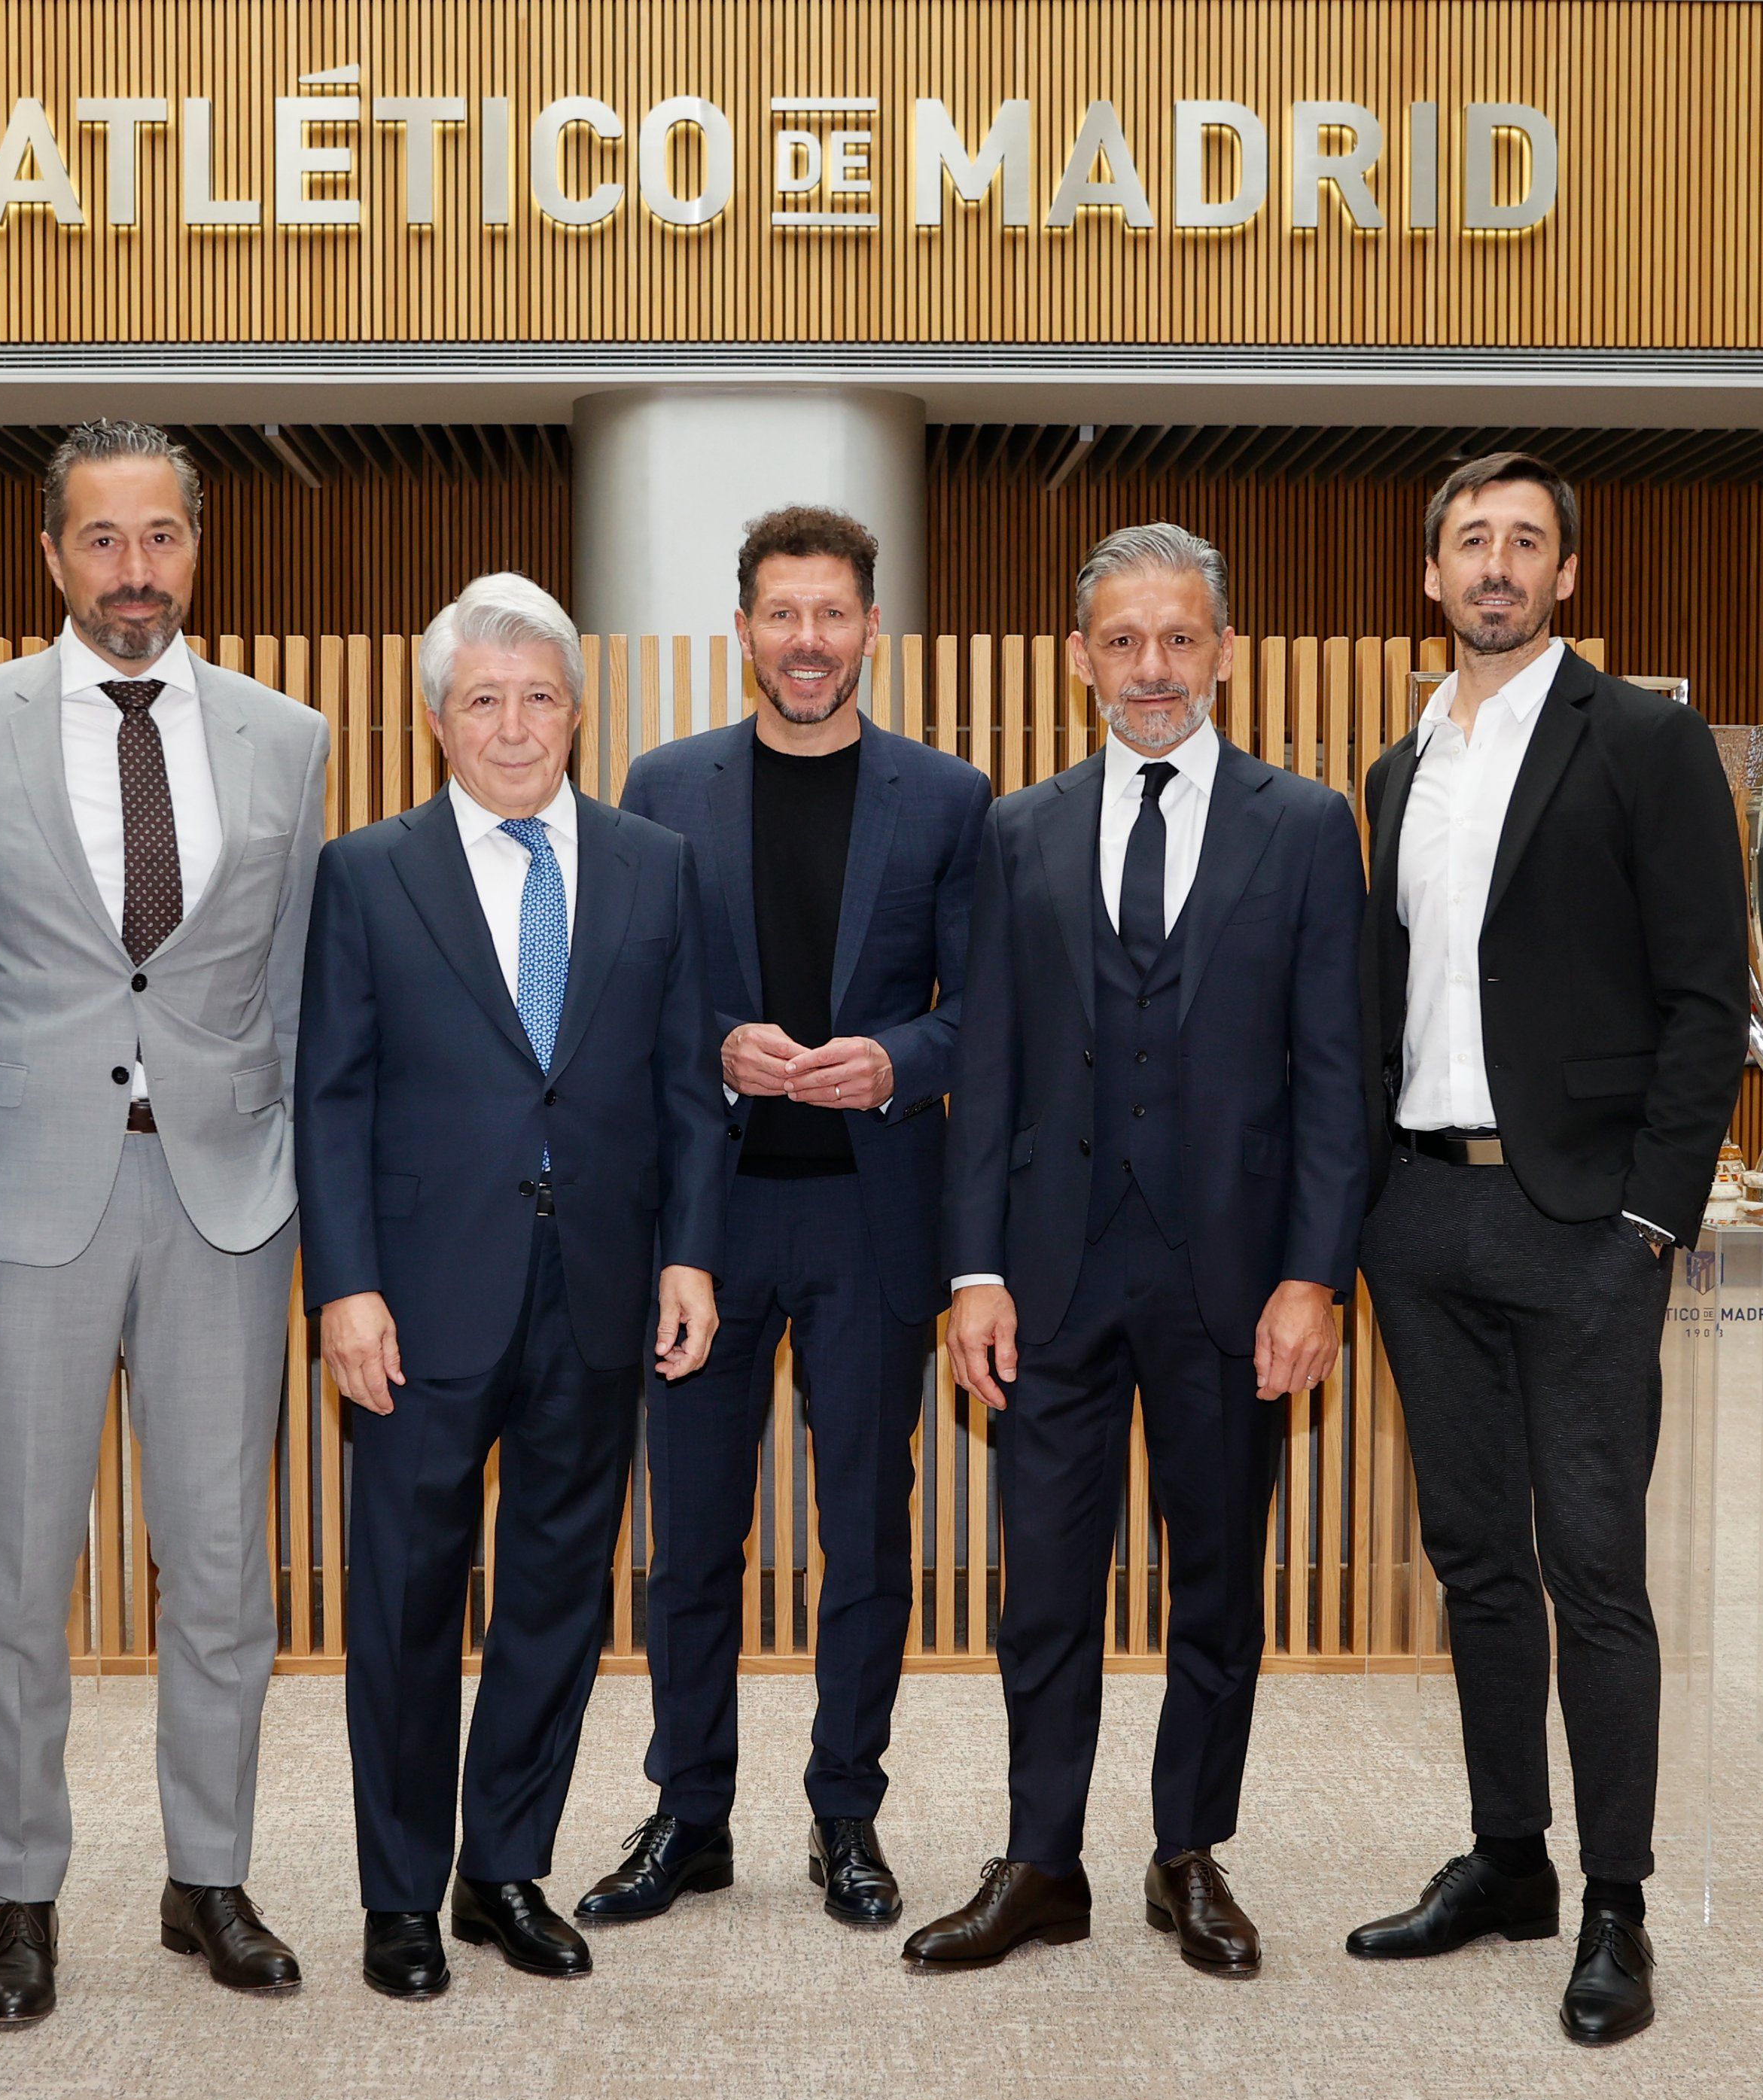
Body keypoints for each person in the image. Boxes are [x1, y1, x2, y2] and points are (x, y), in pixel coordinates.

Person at [0, 420, 331, 2022]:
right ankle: (19, 1894)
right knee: (16, 1572)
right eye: (101, 539)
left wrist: (282, 1161)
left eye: (159, 537)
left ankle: (204, 1875)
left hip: (224, 1194)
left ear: (196, 548)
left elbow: (282, 985)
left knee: (222, 1566)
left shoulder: (287, 736)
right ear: (50, 554)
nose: (133, 570)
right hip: (29, 1199)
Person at [911, 525, 1368, 1979]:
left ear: (1223, 650)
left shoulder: (1303, 828)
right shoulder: (1018, 831)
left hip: (1235, 1278)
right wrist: (971, 1268)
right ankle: (1042, 1858)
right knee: (1042, 1579)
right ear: (1080, 658)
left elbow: (1334, 1073)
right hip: (1050, 1273)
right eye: (1124, 642)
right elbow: (984, 1065)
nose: (1153, 669)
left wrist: (1316, 1274)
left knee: (1216, 1575)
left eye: (1179, 639)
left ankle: (1189, 1855)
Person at [1344, 452, 1746, 2046]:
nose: (1495, 566)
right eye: (1468, 542)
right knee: (1470, 1557)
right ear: (1429, 577)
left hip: (1582, 1220)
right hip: (1418, 1208)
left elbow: (1703, 996)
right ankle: (1505, 1856)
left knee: (1592, 1571)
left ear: (1565, 577)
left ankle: (1613, 1904)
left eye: (1524, 542)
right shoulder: (1397, 768)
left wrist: (1652, 1215)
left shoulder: (1639, 740)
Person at [297, 572, 726, 1999]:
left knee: (556, 1592)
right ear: (436, 722)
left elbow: (685, 1090)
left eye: (539, 695)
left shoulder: (653, 863)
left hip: (598, 1288)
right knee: (410, 1601)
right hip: (419, 1303)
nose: (514, 723)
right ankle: (401, 1894)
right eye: (483, 699)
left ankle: (504, 1870)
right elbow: (331, 1099)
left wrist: (688, 1252)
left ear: (578, 713)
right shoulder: (368, 871)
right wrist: (344, 1286)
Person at [580, 507, 986, 1932]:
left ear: (871, 627)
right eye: (780, 614)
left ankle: (846, 1816)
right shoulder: (664, 784)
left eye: (832, 614)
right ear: (741, 627)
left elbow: (984, 1009)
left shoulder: (947, 796)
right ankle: (691, 1816)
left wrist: (902, 1060)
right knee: (691, 1539)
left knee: (867, 1538)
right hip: (708, 1227)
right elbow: (628, 993)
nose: (806, 641)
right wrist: (712, 1042)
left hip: (875, 1226)